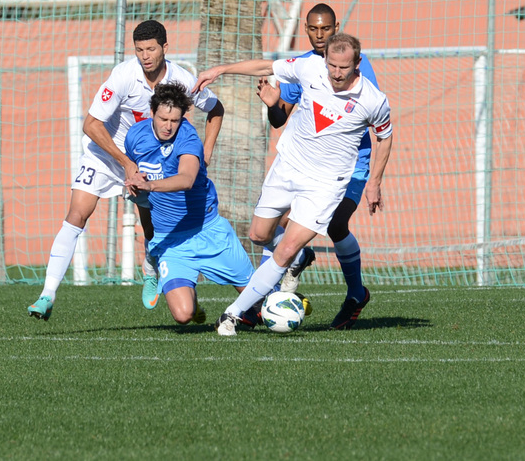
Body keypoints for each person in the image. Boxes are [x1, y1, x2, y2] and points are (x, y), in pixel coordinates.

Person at [194, 32, 393, 336]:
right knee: (258, 235)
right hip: (288, 168)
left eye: (343, 67)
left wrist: (374, 183)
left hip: (325, 185)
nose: (336, 73)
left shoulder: (373, 100)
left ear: (357, 64)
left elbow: (384, 137)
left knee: (286, 248)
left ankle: (232, 315)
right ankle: (300, 257)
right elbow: (266, 66)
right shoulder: (310, 68)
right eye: (332, 65)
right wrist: (220, 70)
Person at [28, 20, 225, 321]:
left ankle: (150, 269)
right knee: (77, 214)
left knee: (151, 226)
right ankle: (47, 294)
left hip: (148, 161)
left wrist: (205, 152)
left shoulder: (182, 80)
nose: (145, 56)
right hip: (106, 155)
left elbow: (216, 109)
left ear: (165, 48)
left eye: (151, 49)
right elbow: (91, 124)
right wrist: (125, 162)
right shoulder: (123, 75)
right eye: (139, 50)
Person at [255, 3, 381, 328]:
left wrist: (375, 182)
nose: (320, 34)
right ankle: (277, 284)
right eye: (313, 29)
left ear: (336, 28)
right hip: (311, 166)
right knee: (279, 220)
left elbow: (372, 116)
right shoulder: (304, 67)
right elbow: (279, 118)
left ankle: (356, 294)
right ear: (306, 30)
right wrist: (272, 103)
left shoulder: (354, 65)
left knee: (337, 224)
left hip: (350, 164)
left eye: (326, 28)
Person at [123, 82, 252, 324]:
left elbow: (187, 179)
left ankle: (285, 285)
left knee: (261, 304)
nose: (168, 126)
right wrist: (135, 183)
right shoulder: (135, 136)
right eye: (163, 119)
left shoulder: (188, 137)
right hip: (171, 239)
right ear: (152, 113)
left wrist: (151, 185)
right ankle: (179, 286)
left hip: (207, 230)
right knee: (183, 315)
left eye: (175, 120)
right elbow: (135, 175)